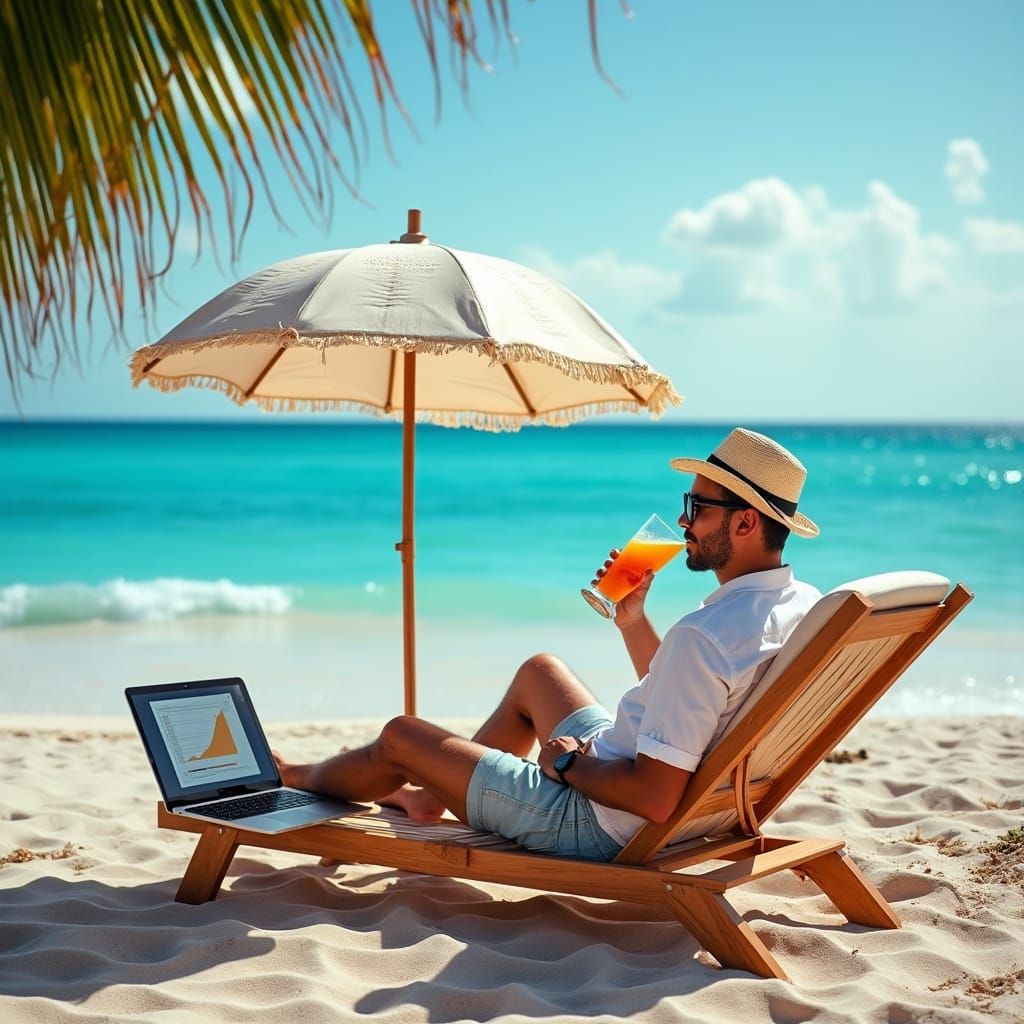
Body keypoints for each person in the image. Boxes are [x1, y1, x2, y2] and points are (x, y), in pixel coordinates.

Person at [276, 427, 822, 862]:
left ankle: (295, 777)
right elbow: (694, 699)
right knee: (541, 671)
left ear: (745, 523)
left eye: (697, 507)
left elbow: (654, 799)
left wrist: (567, 766)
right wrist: (632, 622)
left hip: (596, 817)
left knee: (401, 736)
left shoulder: (702, 636)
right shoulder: (798, 606)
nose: (683, 520)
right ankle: (427, 798)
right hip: (679, 799)